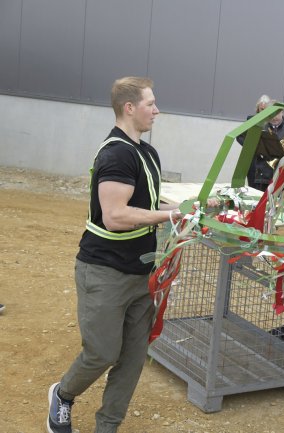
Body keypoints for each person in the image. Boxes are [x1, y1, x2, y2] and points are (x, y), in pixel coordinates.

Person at [47, 77, 180, 433]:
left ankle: (107, 426)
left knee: (133, 359)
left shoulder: (146, 153)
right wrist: (170, 216)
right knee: (103, 353)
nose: (157, 110)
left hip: (141, 273)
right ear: (129, 108)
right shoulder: (117, 153)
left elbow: (147, 202)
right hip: (104, 272)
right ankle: (63, 394)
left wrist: (190, 207)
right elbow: (116, 216)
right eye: (151, 104)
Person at [236, 95, 284, 191]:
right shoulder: (259, 125)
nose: (274, 117)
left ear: (283, 112)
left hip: (281, 174)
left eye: (277, 113)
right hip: (261, 175)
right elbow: (239, 135)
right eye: (271, 113)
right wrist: (255, 148)